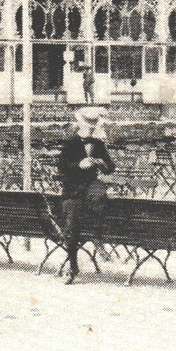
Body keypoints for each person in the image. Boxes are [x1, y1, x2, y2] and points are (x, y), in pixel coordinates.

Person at [56, 105, 115, 284]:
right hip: (73, 188)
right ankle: (73, 265)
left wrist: (100, 162)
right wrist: (79, 165)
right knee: (72, 224)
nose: (90, 129)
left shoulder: (98, 144)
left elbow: (111, 167)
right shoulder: (70, 143)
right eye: (88, 126)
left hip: (90, 185)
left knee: (99, 196)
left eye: (93, 126)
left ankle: (96, 237)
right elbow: (62, 167)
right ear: (80, 126)